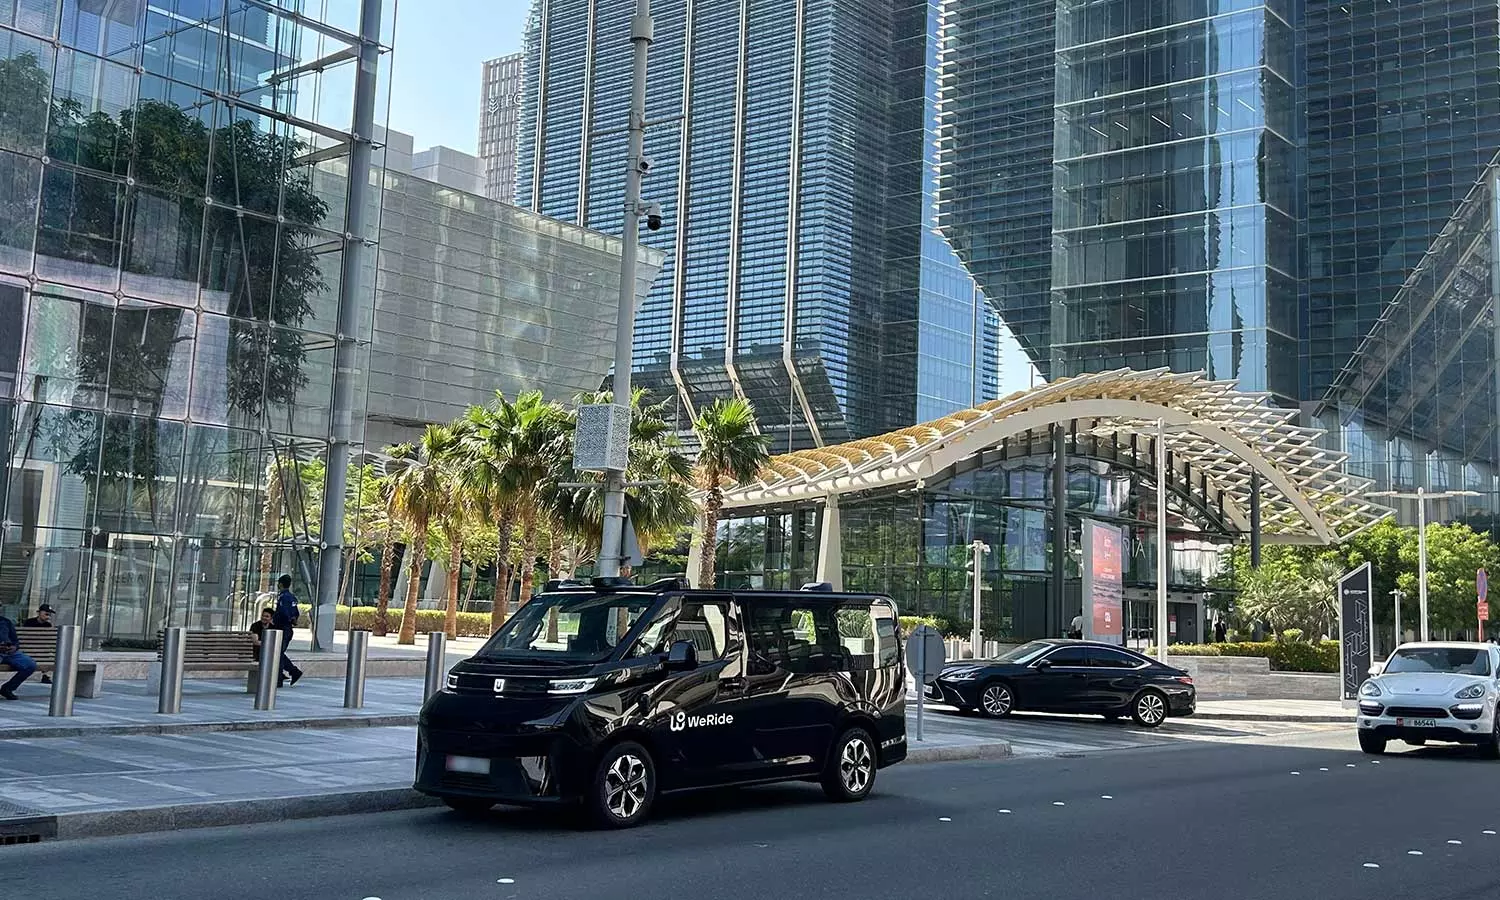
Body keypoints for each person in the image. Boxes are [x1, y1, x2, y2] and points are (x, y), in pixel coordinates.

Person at [272, 575, 304, 687]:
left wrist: (276, 620)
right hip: (288, 628)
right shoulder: (292, 597)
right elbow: (296, 613)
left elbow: (283, 612)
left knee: (278, 653)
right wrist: (293, 620)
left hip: (282, 628)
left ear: (280, 584)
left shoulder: (283, 597)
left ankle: (281, 676)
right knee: (278, 653)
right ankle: (290, 672)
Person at [0, 612, 37, 701]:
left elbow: (15, 640)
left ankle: (7, 688)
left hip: (9, 652)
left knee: (30, 665)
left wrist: (14, 647)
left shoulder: (5, 621)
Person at [21, 604, 55, 684]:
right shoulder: (29, 622)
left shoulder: (48, 625)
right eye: (46, 613)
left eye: (49, 614)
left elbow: (48, 640)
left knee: (47, 654)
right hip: (28, 647)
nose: (48, 616)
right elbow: (24, 637)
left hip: (42, 649)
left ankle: (45, 675)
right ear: (39, 613)